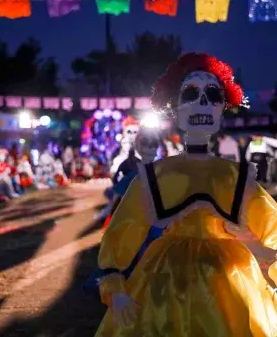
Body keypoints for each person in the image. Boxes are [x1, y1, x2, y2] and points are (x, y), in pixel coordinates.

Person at [94, 53, 277, 336]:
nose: (203, 103)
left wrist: (269, 256)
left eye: (213, 95)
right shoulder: (159, 174)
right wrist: (114, 284)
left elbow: (271, 222)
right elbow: (126, 225)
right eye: (191, 93)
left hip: (228, 276)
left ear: (222, 107)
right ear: (175, 108)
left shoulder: (234, 174)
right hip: (169, 277)